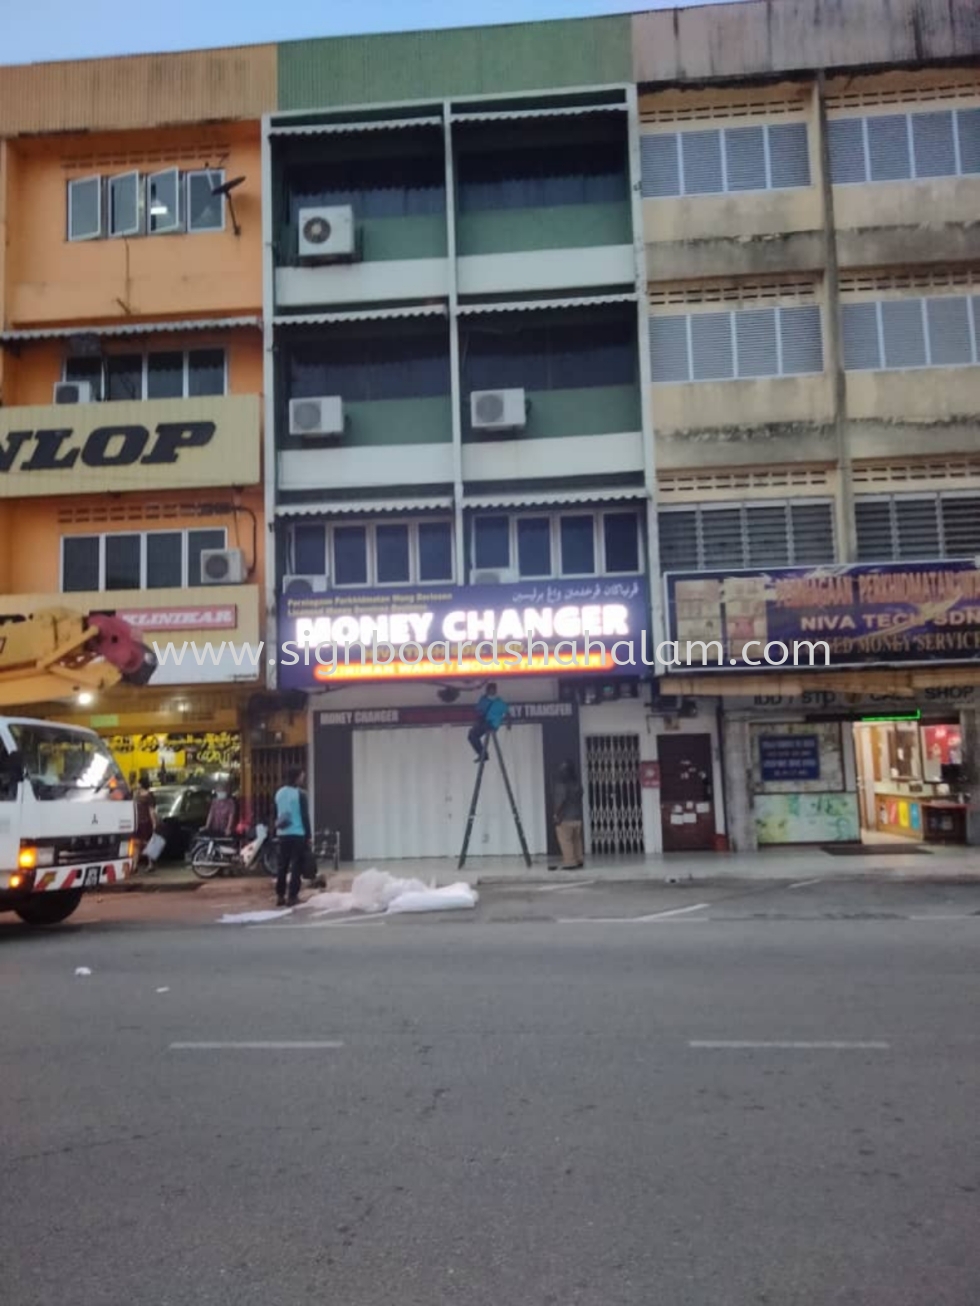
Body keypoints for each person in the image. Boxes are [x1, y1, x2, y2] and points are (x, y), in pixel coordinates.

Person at [274, 767, 311, 907]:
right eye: (302, 776)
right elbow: (305, 816)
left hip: (283, 835)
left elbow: (275, 813)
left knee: (282, 866)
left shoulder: (279, 793)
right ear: (296, 777)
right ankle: (292, 896)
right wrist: (309, 835)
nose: (303, 779)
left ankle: (280, 896)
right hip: (298, 834)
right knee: (296, 866)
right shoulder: (300, 794)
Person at [551, 760, 584, 871]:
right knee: (576, 840)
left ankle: (570, 862)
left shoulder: (561, 785)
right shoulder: (577, 784)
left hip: (565, 818)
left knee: (566, 841)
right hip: (577, 817)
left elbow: (560, 801)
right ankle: (579, 859)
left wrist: (556, 814)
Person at [468, 682, 509, 761]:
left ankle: (483, 754)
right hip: (483, 722)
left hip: (492, 724)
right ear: (487, 690)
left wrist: (509, 724)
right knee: (471, 736)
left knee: (473, 734)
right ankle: (482, 754)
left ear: (495, 691)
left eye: (493, 690)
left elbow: (508, 714)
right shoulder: (483, 699)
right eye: (490, 690)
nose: (491, 692)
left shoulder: (500, 702)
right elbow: (477, 711)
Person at [134, 779, 160, 873]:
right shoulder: (136, 794)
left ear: (141, 784)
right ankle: (135, 865)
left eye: (138, 783)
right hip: (137, 822)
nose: (137, 784)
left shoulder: (149, 796)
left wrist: (153, 823)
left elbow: (151, 810)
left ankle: (150, 864)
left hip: (146, 822)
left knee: (147, 843)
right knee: (137, 844)